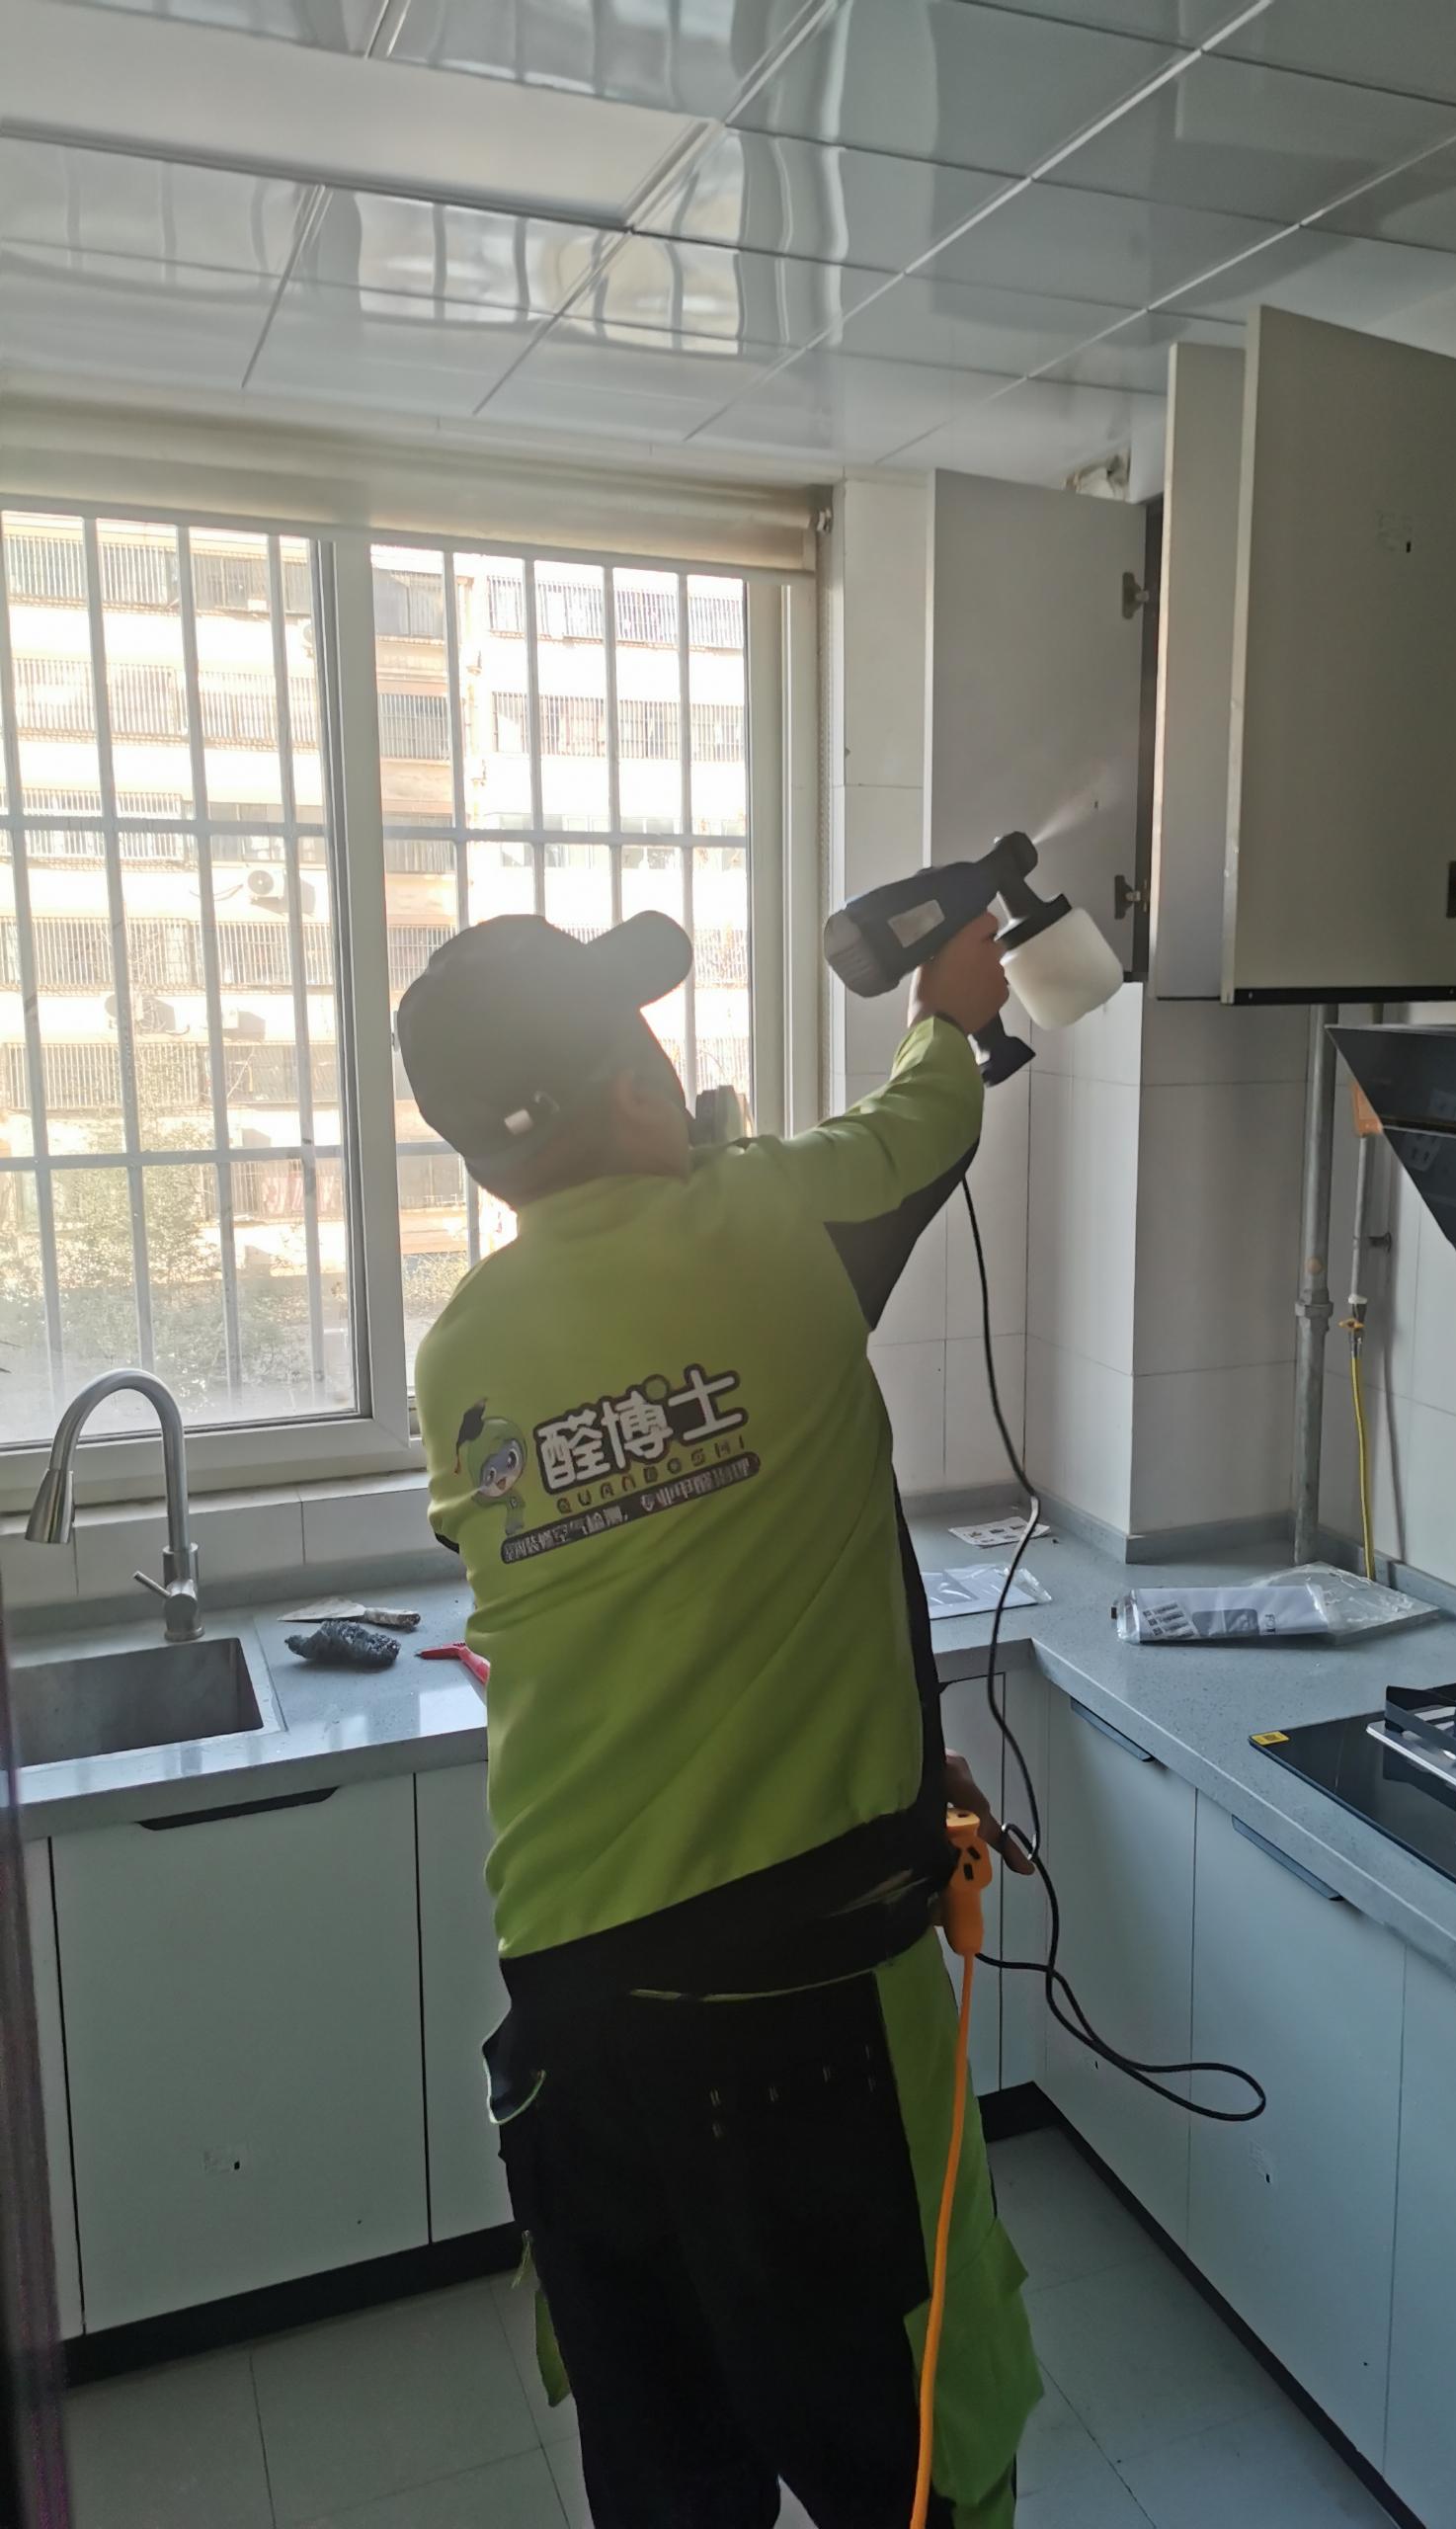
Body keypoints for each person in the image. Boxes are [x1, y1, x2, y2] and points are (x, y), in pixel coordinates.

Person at [398, 906, 1041, 2529]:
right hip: (808, 2005)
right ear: (636, 1089)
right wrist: (952, 1004)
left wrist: (896, 1760)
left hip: (576, 2017)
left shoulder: (463, 1348)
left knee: (673, 2480)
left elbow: (674, 1606)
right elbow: (922, 1126)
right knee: (923, 2464)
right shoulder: (765, 1224)